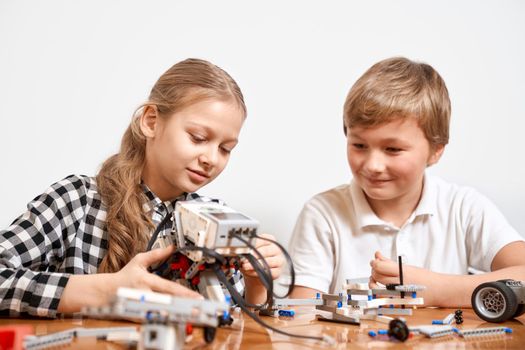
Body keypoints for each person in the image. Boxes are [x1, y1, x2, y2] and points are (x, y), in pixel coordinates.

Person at [0, 58, 284, 317]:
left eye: (225, 148)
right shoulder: (78, 200)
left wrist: (256, 282)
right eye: (198, 138)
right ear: (151, 122)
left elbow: (237, 328)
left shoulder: (216, 220)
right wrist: (105, 290)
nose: (211, 158)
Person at [288, 57, 525, 307]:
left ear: (436, 150)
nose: (373, 165)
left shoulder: (464, 208)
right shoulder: (322, 213)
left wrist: (436, 289)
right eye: (359, 145)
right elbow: (302, 315)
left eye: (392, 149)